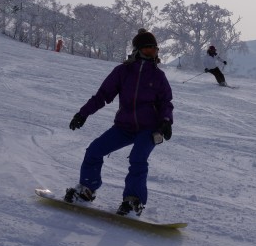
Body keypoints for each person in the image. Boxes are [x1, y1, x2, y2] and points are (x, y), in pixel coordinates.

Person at [64, 29, 174, 217]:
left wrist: (166, 121)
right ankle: (86, 190)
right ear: (138, 51)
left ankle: (133, 201)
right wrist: (83, 114)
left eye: (154, 50)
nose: (152, 54)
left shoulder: (158, 76)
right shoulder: (123, 72)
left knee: (138, 158)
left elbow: (166, 103)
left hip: (148, 128)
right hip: (124, 126)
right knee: (94, 151)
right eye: (148, 50)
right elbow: (102, 96)